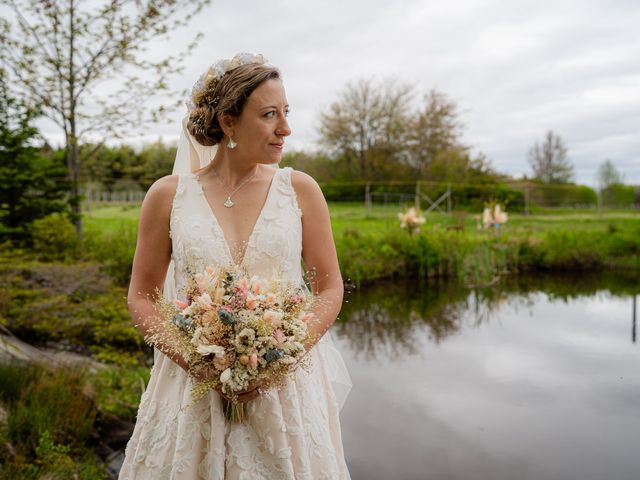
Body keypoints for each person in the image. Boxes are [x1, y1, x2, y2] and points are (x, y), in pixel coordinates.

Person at [119, 53, 352, 479]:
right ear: (228, 122)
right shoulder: (167, 195)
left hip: (284, 392)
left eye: (286, 113)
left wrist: (280, 356)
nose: (285, 128)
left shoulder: (301, 190)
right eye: (269, 115)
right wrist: (197, 359)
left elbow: (330, 287)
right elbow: (142, 296)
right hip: (193, 389)